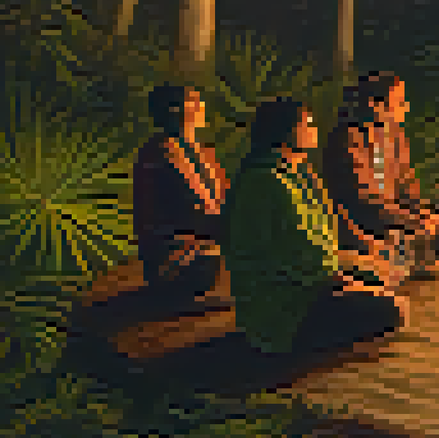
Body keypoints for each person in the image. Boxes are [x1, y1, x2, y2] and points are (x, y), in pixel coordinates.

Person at [224, 97, 407, 356]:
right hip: (285, 302)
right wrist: (350, 280)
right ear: (286, 130)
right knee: (392, 308)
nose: (314, 130)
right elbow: (299, 254)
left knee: (382, 274)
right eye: (307, 124)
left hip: (312, 279)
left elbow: (327, 229)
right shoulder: (267, 182)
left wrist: (364, 258)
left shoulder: (299, 172)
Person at [101, 85, 230, 330]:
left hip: (204, 248)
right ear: (174, 111)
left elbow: (220, 202)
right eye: (194, 103)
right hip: (177, 261)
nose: (202, 107)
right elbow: (199, 209)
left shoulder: (202, 153)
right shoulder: (161, 153)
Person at [323, 72, 439, 280]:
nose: (406, 108)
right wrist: (408, 219)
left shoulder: (394, 136)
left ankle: (404, 258)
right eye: (400, 102)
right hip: (361, 224)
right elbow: (363, 198)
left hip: (391, 218)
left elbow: (407, 183)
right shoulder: (348, 139)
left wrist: (421, 211)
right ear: (375, 105)